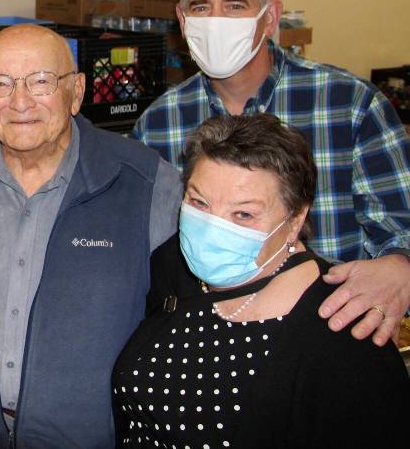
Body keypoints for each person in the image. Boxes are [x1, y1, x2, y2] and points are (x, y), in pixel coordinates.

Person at [133, 0, 410, 347]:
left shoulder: (350, 106)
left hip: (329, 338)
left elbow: (400, 229)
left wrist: (400, 265)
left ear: (269, 16)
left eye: (234, 5)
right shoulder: (158, 124)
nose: (216, 20)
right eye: (200, 7)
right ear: (181, 18)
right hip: (210, 347)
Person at [0, 24, 183, 448]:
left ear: (76, 92)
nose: (19, 102)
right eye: (0, 84)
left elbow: (205, 309)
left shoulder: (147, 185)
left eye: (41, 82)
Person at [115, 113, 410, 447]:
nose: (211, 228)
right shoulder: (174, 267)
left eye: (243, 214)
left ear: (296, 219)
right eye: (198, 202)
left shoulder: (344, 328)